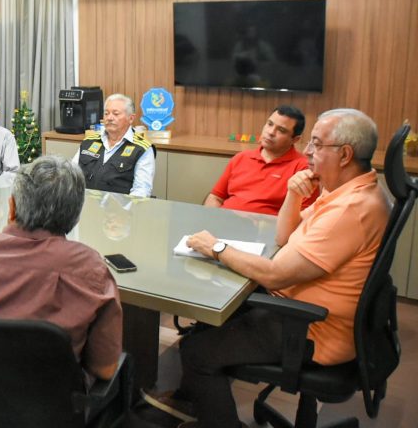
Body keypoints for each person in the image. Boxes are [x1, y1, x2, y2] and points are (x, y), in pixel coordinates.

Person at [146, 109, 390, 428]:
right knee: (209, 324)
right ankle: (199, 403)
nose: (308, 152)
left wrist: (217, 248)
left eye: (317, 144)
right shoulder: (350, 191)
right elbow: (283, 238)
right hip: (306, 313)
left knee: (195, 351)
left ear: (344, 155)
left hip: (309, 328)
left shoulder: (350, 210)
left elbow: (275, 274)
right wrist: (293, 193)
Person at [0, 155, 123, 382]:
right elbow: (104, 369)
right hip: (47, 403)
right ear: (75, 217)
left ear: (11, 207)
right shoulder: (91, 270)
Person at [204, 105, 318, 215]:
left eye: (281, 130)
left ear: (295, 139)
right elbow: (215, 197)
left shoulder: (304, 168)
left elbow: (302, 217)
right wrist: (211, 220)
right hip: (224, 222)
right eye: (270, 124)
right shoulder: (241, 157)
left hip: (266, 227)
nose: (271, 132)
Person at [72, 93, 155, 197]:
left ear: (131, 118)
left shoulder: (142, 149)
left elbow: (141, 190)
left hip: (120, 206)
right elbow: (71, 176)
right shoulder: (89, 142)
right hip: (84, 203)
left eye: (116, 114)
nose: (109, 118)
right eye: (106, 113)